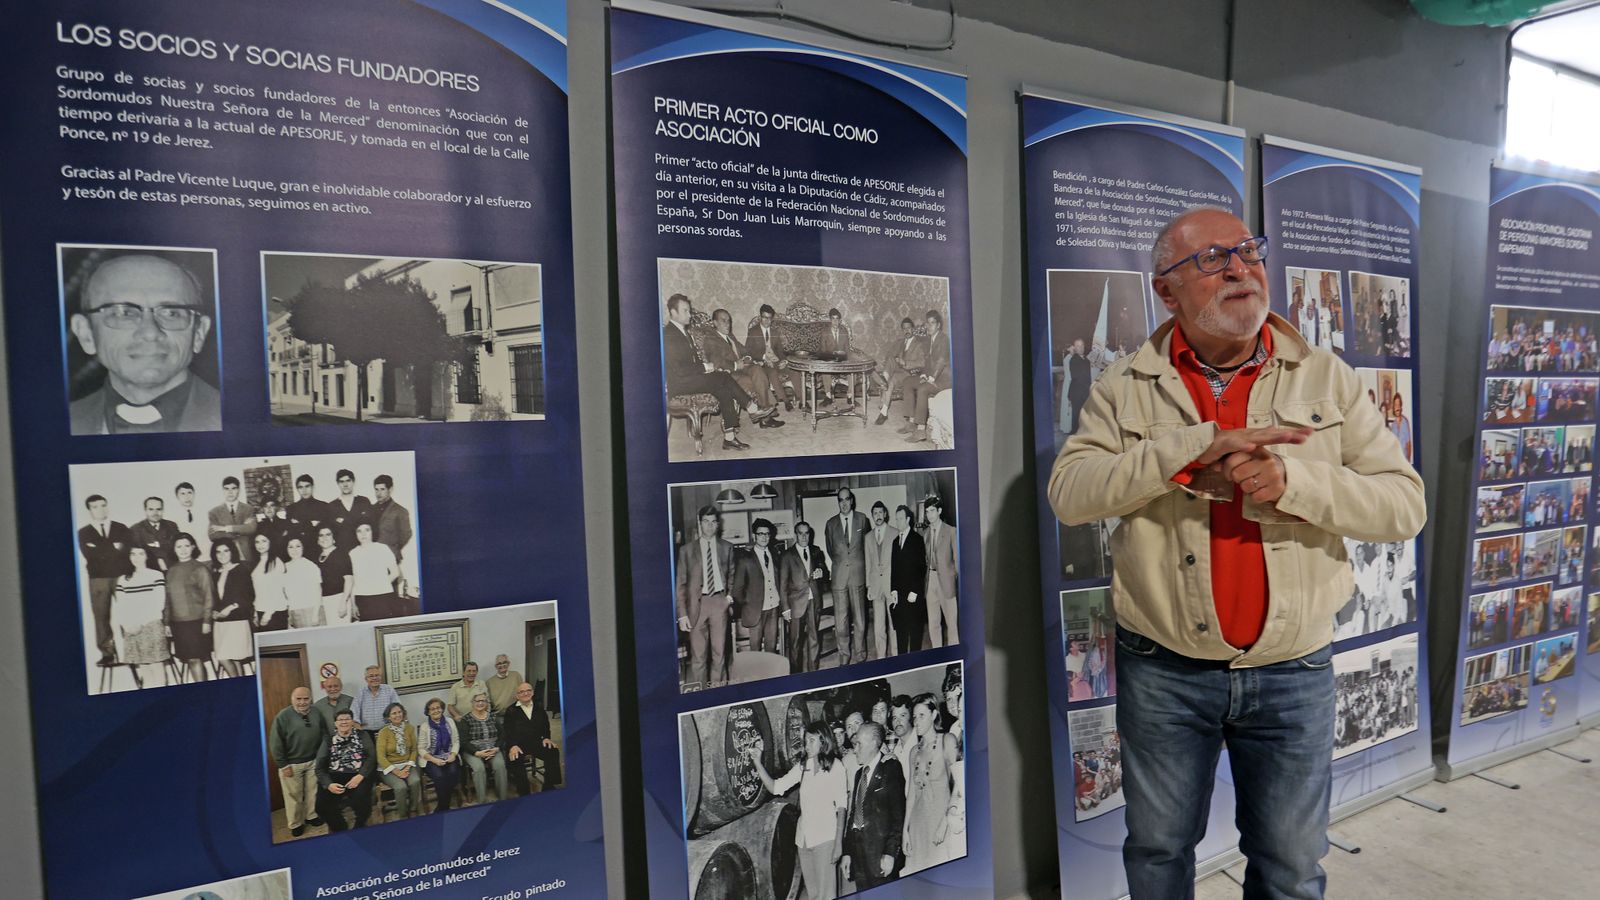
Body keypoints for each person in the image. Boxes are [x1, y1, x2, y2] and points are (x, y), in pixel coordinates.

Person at [1048, 207, 1425, 898]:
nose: (1240, 270)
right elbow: (1070, 493)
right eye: (1213, 259)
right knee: (1159, 852)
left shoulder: (1327, 378)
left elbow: (1404, 504)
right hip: (1163, 669)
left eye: (1248, 253)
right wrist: (1185, 453)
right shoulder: (1124, 384)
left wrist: (1295, 483)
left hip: (1293, 668)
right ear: (1166, 291)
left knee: (1291, 865)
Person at [66, 252, 219, 435]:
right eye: (123, 313)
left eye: (171, 313)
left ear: (199, 333)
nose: (150, 332)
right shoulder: (60, 424)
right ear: (86, 334)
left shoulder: (243, 417)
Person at [746, 722, 848, 900]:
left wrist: (839, 843)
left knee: (827, 894)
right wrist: (757, 762)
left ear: (823, 741)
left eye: (811, 740)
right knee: (813, 894)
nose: (806, 745)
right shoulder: (803, 766)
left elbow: (842, 807)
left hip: (826, 838)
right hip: (804, 839)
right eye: (805, 741)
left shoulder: (836, 766)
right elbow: (776, 787)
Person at [662, 293, 775, 451]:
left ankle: (729, 438)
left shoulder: (682, 332)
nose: (690, 314)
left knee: (723, 387)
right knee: (723, 376)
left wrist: (704, 367)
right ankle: (752, 408)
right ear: (673, 313)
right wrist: (705, 367)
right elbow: (678, 370)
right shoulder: (669, 334)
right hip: (680, 383)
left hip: (690, 377)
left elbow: (689, 363)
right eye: (685, 311)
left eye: (689, 310)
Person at [840, 721, 906, 889]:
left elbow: (899, 816)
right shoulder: (858, 775)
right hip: (859, 855)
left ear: (875, 743)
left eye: (859, 744)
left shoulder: (891, 768)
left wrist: (891, 853)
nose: (855, 749)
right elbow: (854, 815)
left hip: (880, 856)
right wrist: (847, 852)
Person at [676, 505, 734, 689]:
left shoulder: (727, 547)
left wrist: (729, 598)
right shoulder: (687, 550)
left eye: (713, 522)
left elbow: (733, 574)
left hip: (719, 603)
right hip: (696, 606)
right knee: (698, 656)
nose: (709, 526)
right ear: (699, 523)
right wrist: (682, 614)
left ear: (718, 524)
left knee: (719, 653)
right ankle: (699, 693)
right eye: (705, 522)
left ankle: (718, 692)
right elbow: (681, 585)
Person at [901, 693, 956, 875]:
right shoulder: (913, 752)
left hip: (941, 821)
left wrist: (945, 822)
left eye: (921, 716)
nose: (916, 721)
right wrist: (905, 832)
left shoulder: (947, 741)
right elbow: (911, 795)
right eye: (914, 717)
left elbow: (959, 787)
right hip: (918, 824)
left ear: (933, 715)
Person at [704, 308, 784, 428]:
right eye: (723, 320)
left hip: (742, 367)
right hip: (728, 374)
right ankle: (765, 415)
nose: (727, 324)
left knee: (758, 369)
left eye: (729, 321)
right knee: (753, 381)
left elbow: (745, 351)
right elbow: (716, 362)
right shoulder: (711, 339)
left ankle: (764, 412)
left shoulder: (730, 336)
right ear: (715, 323)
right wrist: (735, 365)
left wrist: (747, 359)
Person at [78, 494, 131, 664]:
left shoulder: (121, 528)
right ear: (89, 510)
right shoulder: (83, 533)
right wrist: (113, 548)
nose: (100, 510)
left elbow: (126, 552)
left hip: (122, 576)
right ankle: (107, 653)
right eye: (95, 507)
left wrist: (101, 548)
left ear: (107, 506)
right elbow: (90, 555)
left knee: (129, 612)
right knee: (101, 616)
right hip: (98, 578)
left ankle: (133, 648)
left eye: (103, 505)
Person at [825, 488, 871, 667]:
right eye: (840, 500)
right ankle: (844, 654)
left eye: (846, 499)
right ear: (838, 502)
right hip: (839, 579)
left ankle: (860, 655)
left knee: (860, 620)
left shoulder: (862, 519)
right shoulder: (831, 524)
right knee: (841, 621)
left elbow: (866, 547)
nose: (843, 503)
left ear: (852, 500)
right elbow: (831, 550)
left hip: (858, 577)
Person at [110, 546, 169, 684]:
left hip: (152, 625)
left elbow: (158, 604)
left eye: (141, 554)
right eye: (133, 554)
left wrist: (140, 623)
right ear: (128, 557)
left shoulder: (156, 575)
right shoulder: (123, 579)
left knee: (156, 665)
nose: (137, 557)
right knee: (143, 667)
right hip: (131, 628)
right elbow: (121, 606)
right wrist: (127, 625)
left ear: (147, 556)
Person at [269, 687, 322, 836]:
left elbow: (323, 733)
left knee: (313, 792)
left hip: (313, 761)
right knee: (293, 796)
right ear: (292, 699)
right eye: (298, 699)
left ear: (311, 699)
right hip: (291, 764)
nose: (302, 702)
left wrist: (321, 756)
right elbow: (275, 743)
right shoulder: (283, 716)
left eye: (306, 698)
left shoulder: (316, 712)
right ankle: (295, 824)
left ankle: (311, 816)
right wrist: (283, 764)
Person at [730, 518, 784, 656]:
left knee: (771, 648)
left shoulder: (775, 555)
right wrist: (748, 603)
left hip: (773, 608)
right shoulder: (745, 559)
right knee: (755, 651)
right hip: (755, 612)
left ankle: (771, 676)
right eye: (761, 534)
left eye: (767, 534)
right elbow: (737, 590)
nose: (764, 537)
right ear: (754, 536)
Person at [164, 533, 214, 683]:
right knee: (189, 660)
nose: (183, 550)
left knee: (195, 659)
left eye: (186, 545)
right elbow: (167, 599)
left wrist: (207, 621)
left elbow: (209, 596)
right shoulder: (171, 571)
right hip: (178, 624)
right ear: (174, 549)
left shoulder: (200, 568)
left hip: (196, 623)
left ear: (193, 547)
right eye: (179, 546)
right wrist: (166, 622)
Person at [314, 710, 376, 831]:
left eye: (347, 719)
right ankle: (340, 828)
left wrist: (360, 776)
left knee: (361, 799)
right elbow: (319, 767)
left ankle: (359, 826)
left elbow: (371, 757)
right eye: (340, 720)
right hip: (334, 776)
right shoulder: (328, 739)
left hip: (358, 774)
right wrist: (328, 784)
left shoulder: (363, 735)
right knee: (321, 807)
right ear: (335, 723)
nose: (344, 722)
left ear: (352, 721)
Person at [781, 521, 829, 674]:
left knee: (814, 638)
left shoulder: (816, 551)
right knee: (794, 642)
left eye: (806, 533)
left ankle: (813, 674)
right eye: (800, 533)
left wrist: (821, 571)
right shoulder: (787, 555)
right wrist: (785, 608)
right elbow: (782, 584)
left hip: (813, 600)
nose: (803, 536)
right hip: (795, 604)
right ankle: (795, 676)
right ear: (796, 535)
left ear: (810, 534)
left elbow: (824, 569)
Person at [503, 682, 562, 794]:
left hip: (536, 742)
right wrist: (513, 745)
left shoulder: (539, 707)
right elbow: (507, 731)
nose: (526, 693)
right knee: (515, 759)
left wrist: (546, 738)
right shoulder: (511, 710)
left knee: (553, 751)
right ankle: (524, 792)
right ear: (517, 695)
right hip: (518, 744)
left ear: (533, 692)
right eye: (522, 691)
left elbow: (545, 726)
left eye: (528, 690)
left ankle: (548, 786)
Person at [905, 310, 952, 444]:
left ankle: (920, 430)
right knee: (908, 382)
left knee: (923, 389)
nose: (929, 326)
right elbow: (927, 361)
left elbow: (941, 362)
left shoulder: (943, 339)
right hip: (932, 376)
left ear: (938, 325)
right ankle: (911, 422)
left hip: (944, 380)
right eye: (927, 323)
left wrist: (931, 379)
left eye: (932, 323)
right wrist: (925, 374)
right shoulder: (929, 340)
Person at [209, 539, 254, 677]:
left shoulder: (241, 570)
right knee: (229, 657)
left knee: (229, 657)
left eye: (226, 551)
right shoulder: (215, 572)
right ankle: (241, 685)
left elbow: (248, 596)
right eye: (218, 552)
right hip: (220, 623)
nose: (222, 555)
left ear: (232, 552)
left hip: (237, 620)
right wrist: (214, 611)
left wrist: (229, 609)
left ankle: (237, 684)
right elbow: (214, 597)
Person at [376, 702, 424, 818]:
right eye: (394, 713)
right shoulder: (384, 732)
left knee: (415, 781)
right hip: (388, 768)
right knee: (400, 787)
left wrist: (408, 767)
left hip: (407, 765)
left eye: (399, 712)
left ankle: (413, 809)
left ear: (403, 714)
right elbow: (380, 757)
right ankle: (403, 815)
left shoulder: (409, 728)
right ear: (388, 717)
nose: (397, 715)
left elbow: (413, 749)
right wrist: (397, 772)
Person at [889, 505, 926, 654]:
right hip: (900, 594)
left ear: (908, 519)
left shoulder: (917, 539)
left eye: (900, 519)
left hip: (913, 593)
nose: (897, 522)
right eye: (896, 519)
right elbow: (894, 569)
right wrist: (893, 590)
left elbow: (921, 567)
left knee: (915, 630)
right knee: (901, 631)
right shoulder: (895, 542)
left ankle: (915, 661)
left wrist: (915, 591)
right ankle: (902, 659)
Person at [878, 317, 929, 427]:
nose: (907, 331)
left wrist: (905, 362)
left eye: (909, 328)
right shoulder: (899, 342)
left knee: (890, 382)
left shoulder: (918, 344)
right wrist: (895, 360)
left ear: (913, 329)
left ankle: (884, 409)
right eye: (904, 329)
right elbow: (888, 356)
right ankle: (885, 381)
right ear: (902, 330)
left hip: (909, 373)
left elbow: (922, 362)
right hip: (896, 369)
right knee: (890, 359)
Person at [922, 496, 958, 647]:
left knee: (952, 623)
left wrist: (952, 578)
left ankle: (954, 654)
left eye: (932, 511)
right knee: (933, 623)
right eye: (927, 512)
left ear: (939, 511)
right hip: (930, 581)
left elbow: (957, 561)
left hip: (947, 583)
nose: (929, 515)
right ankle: (938, 652)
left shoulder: (951, 531)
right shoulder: (925, 533)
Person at [371, 475, 413, 604]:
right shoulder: (370, 509)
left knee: (389, 596)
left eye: (382, 489)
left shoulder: (400, 511)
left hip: (390, 559)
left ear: (391, 489)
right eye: (376, 489)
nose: (379, 493)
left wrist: (393, 549)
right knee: (374, 593)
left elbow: (406, 533)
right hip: (372, 558)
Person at [459, 693, 509, 803]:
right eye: (477, 701)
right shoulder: (465, 720)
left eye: (483, 701)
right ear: (472, 703)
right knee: (479, 769)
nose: (480, 703)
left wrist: (496, 748)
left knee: (500, 766)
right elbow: (463, 741)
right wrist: (477, 752)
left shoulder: (493, 716)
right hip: (473, 751)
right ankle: (482, 801)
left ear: (487, 703)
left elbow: (502, 735)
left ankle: (503, 799)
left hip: (493, 749)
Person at [348, 522, 401, 621]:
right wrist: (353, 604)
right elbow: (354, 581)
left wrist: (378, 585)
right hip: (362, 599)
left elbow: (395, 573)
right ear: (355, 534)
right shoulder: (353, 553)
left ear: (373, 532)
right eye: (359, 531)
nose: (363, 534)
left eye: (367, 530)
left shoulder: (382, 548)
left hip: (383, 596)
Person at [419, 697, 462, 813]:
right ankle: (444, 807)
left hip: (449, 755)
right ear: (428, 712)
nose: (436, 710)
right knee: (439, 776)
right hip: (432, 758)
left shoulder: (450, 721)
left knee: (453, 772)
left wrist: (453, 754)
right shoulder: (424, 726)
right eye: (432, 709)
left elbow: (456, 741)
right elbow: (421, 749)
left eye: (438, 708)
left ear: (442, 709)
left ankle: (442, 807)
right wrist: (434, 760)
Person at [865, 501, 897, 659]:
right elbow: (868, 564)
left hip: (892, 587)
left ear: (885, 514)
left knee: (894, 625)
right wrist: (868, 586)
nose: (878, 516)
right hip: (876, 587)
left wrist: (899, 585)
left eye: (880, 513)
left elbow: (900, 563)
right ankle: (881, 658)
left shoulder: (895, 533)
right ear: (872, 516)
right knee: (878, 627)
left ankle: (897, 657)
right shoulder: (868, 537)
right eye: (875, 513)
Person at [206, 476, 257, 567]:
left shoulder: (248, 509)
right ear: (223, 490)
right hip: (226, 556)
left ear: (238, 490)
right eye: (226, 489)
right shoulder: (214, 512)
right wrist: (241, 529)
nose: (230, 492)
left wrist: (225, 528)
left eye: (233, 488)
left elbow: (251, 528)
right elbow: (213, 535)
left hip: (246, 554)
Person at [313, 526, 354, 626]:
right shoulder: (317, 557)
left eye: (328, 534)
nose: (324, 538)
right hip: (324, 601)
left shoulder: (341, 554)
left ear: (334, 538)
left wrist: (343, 602)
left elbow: (349, 580)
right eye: (321, 535)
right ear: (318, 540)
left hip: (339, 599)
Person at [281, 537, 324, 628]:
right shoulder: (284, 567)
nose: (294, 550)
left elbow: (318, 592)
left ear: (303, 548)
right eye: (290, 547)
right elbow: (286, 593)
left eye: (298, 546)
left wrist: (315, 615)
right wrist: (289, 614)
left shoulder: (310, 566)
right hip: (294, 611)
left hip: (310, 610)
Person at [128, 496, 180, 572]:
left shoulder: (172, 526)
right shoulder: (136, 529)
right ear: (145, 510)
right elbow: (136, 556)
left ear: (163, 510)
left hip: (173, 569)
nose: (155, 513)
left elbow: (178, 548)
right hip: (149, 572)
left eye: (158, 509)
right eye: (151, 509)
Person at [250, 533, 288, 632]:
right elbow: (258, 591)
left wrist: (268, 615)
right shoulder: (256, 562)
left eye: (264, 541)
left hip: (275, 612)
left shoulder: (276, 562)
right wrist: (255, 613)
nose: (260, 544)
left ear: (270, 542)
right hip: (261, 610)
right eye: (257, 542)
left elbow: (277, 591)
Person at [328, 468, 374, 548]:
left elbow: (373, 526)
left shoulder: (364, 501)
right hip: (342, 551)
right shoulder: (332, 506)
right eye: (341, 482)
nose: (345, 485)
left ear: (353, 482)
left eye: (348, 481)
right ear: (338, 484)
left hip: (362, 549)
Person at [286, 475, 330, 551]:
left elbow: (326, 530)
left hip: (320, 549)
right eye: (300, 487)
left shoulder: (323, 506)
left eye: (307, 486)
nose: (304, 490)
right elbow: (292, 533)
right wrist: (312, 524)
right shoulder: (291, 509)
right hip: (299, 551)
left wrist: (300, 524)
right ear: (297, 489)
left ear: (312, 487)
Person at [352, 665, 400, 733]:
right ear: (366, 679)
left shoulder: (389, 690)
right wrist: (360, 732)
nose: (374, 678)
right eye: (371, 676)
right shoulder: (361, 692)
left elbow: (398, 709)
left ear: (381, 677)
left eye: (377, 675)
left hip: (387, 730)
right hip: (366, 732)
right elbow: (354, 713)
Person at [1063, 338, 1092, 436]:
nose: (1081, 348)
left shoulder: (1087, 361)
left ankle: (1083, 433)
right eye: (1078, 346)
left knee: (1085, 414)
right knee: (1076, 415)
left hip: (1085, 392)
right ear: (1074, 348)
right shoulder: (1073, 360)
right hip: (1076, 392)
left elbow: (1088, 378)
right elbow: (1076, 376)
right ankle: (1075, 434)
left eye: (1082, 345)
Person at [1389, 394, 1413, 461]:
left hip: (1404, 460)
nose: (1397, 407)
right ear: (1393, 407)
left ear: (1401, 407)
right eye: (1396, 405)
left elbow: (1408, 444)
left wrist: (1408, 460)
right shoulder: (1393, 426)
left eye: (1399, 404)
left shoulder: (1405, 422)